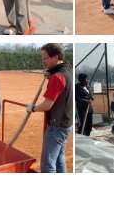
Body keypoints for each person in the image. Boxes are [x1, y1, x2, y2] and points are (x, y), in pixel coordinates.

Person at [26, 43, 73, 173]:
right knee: (59, 159)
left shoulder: (57, 77)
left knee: (48, 164)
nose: (43, 61)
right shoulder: (68, 71)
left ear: (56, 57)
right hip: (66, 124)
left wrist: (33, 108)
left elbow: (47, 105)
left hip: (56, 126)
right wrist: (50, 73)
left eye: (46, 58)